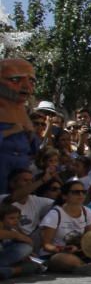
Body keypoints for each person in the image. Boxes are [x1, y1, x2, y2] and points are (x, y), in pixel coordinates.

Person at [39, 179, 91, 274]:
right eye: (76, 192)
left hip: (81, 250)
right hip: (59, 252)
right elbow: (46, 245)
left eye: (83, 192)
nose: (81, 195)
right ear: (64, 196)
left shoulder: (87, 211)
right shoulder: (55, 214)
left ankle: (90, 266)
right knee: (64, 259)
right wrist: (63, 249)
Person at [0, 59, 41, 196]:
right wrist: (11, 131)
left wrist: (31, 136)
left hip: (21, 170)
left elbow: (34, 150)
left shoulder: (23, 112)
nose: (26, 86)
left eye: (31, 81)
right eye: (16, 79)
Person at [0, 202, 41, 280]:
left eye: (18, 218)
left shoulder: (13, 229)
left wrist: (26, 255)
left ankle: (7, 270)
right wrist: (17, 236)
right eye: (11, 218)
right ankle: (13, 270)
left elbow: (28, 242)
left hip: (5, 258)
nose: (16, 221)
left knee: (27, 250)